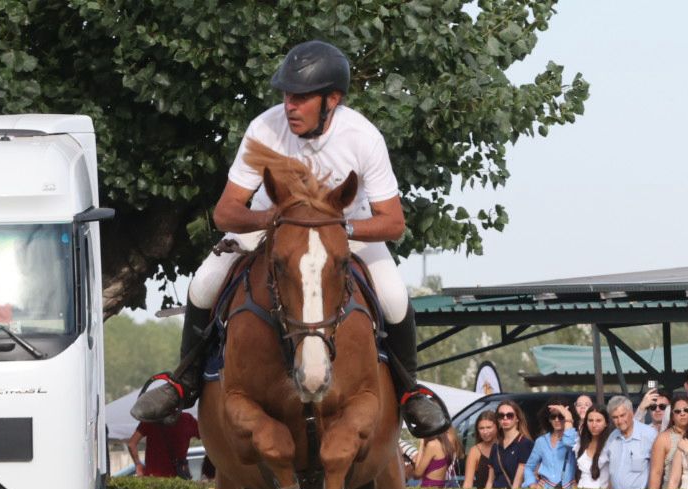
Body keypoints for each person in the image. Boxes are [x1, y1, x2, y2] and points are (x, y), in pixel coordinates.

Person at [129, 40, 449, 439]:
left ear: (332, 99)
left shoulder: (362, 137)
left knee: (394, 295)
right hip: (271, 230)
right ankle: (184, 381)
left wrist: (336, 228)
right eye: (286, 95)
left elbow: (393, 222)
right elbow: (225, 212)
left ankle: (408, 391)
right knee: (204, 283)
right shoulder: (264, 128)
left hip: (345, 233)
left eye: (300, 98)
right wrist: (275, 220)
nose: (289, 106)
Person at [605, 391, 659, 489]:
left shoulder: (650, 435)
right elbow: (610, 473)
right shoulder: (612, 437)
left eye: (622, 415)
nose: (619, 421)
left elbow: (658, 471)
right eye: (615, 417)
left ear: (631, 413)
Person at [126, 411, 200, 478]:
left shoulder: (150, 420)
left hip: (153, 479)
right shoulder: (187, 419)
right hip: (178, 480)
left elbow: (131, 444)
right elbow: (207, 435)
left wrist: (138, 464)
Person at [523, 403, 577, 488]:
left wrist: (568, 417)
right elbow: (529, 467)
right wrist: (533, 484)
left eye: (561, 416)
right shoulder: (541, 441)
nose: (556, 419)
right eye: (553, 417)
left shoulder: (575, 437)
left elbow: (569, 442)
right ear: (548, 419)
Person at [487, 399, 533, 489]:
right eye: (501, 415)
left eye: (510, 415)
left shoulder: (525, 444)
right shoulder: (495, 446)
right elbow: (490, 481)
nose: (505, 418)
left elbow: (518, 481)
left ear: (517, 418)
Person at [649, 397, 688, 489]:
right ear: (672, 415)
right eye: (677, 411)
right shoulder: (663, 438)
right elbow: (656, 473)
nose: (682, 413)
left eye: (686, 410)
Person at [574, 406, 613, 489]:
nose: (594, 425)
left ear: (606, 423)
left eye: (598, 420)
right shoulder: (580, 443)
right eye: (590, 420)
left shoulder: (611, 444)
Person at [462, 409, 500, 489]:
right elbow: (468, 483)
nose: (485, 432)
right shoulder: (475, 451)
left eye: (489, 427)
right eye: (481, 428)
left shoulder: (505, 446)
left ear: (497, 427)